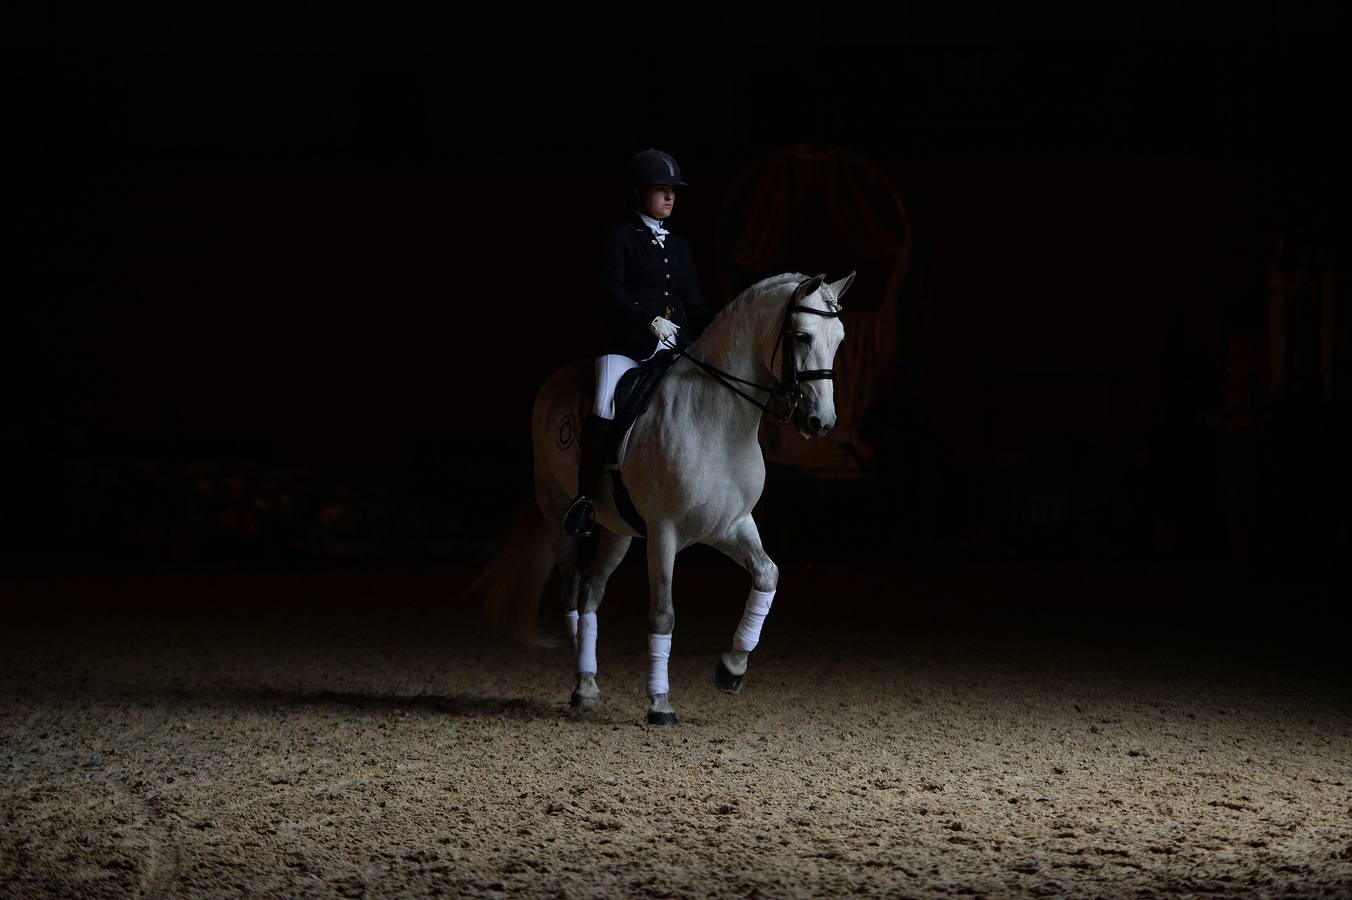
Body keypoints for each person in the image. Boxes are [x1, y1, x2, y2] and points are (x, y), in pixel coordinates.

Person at [562, 149, 716, 537]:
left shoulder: (680, 245)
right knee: (605, 402)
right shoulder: (619, 237)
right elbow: (608, 290)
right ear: (639, 193)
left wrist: (720, 328)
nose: (669, 197)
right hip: (626, 344)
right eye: (661, 190)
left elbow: (694, 302)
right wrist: (645, 319)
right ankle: (583, 499)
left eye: (673, 191)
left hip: (675, 344)